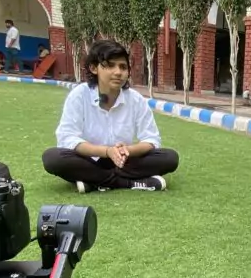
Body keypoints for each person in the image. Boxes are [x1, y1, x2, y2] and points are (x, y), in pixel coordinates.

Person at [42, 39, 178, 193]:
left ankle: (94, 182)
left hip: (124, 161)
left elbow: (151, 139)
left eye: (123, 67)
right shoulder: (80, 95)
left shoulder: (135, 99)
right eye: (110, 65)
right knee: (52, 158)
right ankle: (130, 183)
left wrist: (127, 150)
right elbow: (67, 138)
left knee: (169, 157)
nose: (118, 72)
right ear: (94, 68)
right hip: (90, 159)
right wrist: (106, 151)